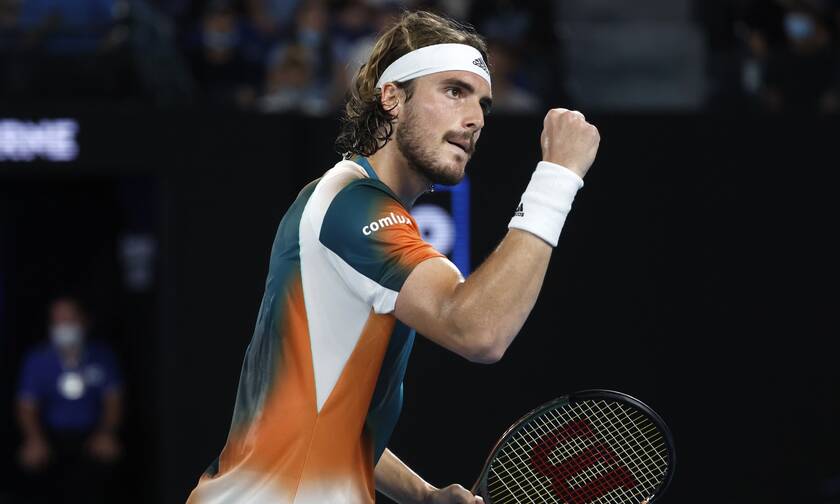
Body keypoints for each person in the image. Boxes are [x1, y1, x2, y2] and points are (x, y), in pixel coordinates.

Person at [187, 10, 601, 504]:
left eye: (483, 103)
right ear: (392, 98)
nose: (474, 119)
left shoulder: (346, 201)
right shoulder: (350, 204)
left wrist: (423, 496)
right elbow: (479, 331)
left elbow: (333, 420)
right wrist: (558, 177)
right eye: (454, 91)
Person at [16, 296, 123, 504]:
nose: (64, 326)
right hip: (52, 435)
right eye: (58, 320)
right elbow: (26, 406)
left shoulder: (102, 356)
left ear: (85, 321)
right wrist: (34, 438)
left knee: (109, 456)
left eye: (70, 319)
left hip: (90, 434)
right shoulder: (37, 359)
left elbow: (114, 400)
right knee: (31, 460)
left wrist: (107, 432)